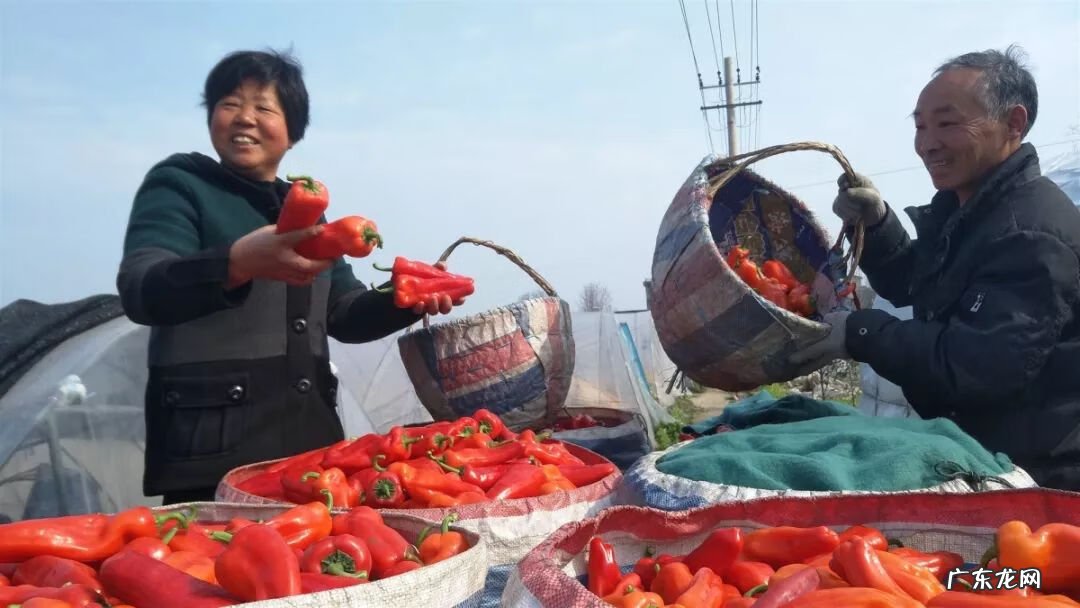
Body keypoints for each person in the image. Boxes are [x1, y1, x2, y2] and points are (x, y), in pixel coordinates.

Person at [116, 49, 460, 504]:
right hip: (213, 455)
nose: (244, 119)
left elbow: (343, 312)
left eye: (263, 108)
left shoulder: (307, 209)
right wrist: (237, 262)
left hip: (310, 451)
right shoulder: (181, 185)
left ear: (292, 133)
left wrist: (403, 298)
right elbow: (143, 289)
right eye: (230, 104)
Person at [789, 46, 1080, 490]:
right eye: (920, 125)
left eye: (947, 123)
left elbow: (973, 367)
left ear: (1013, 123)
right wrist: (878, 224)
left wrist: (859, 331)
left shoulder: (1031, 233)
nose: (927, 142)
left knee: (1005, 566)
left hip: (1038, 482)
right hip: (983, 459)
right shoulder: (972, 212)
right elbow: (916, 284)